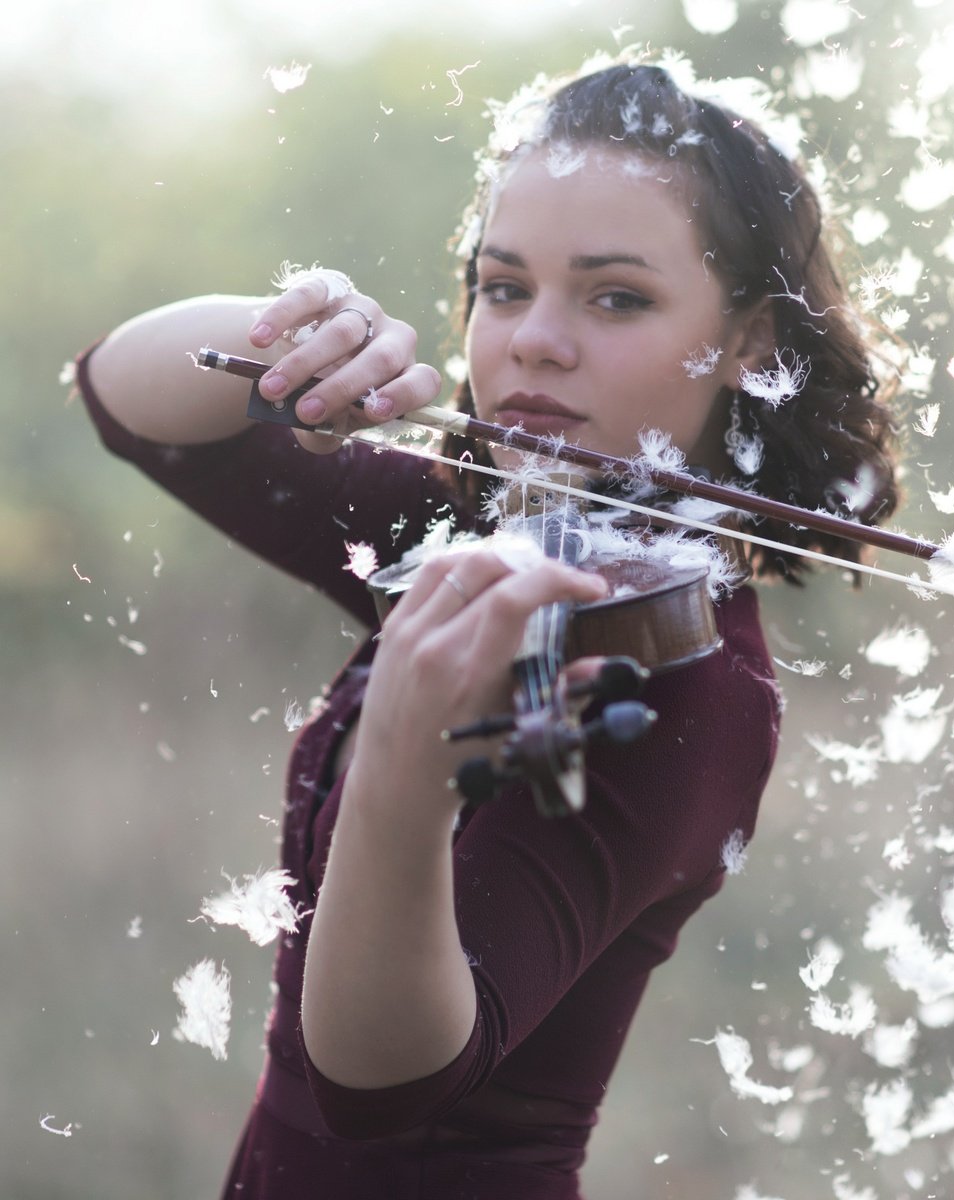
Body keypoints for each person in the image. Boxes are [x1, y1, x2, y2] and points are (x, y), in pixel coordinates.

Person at [75, 61, 900, 1199]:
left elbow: (377, 1083)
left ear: (749, 341)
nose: (532, 343)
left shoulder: (695, 689)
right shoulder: (472, 525)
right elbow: (127, 402)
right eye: (503, 287)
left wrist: (406, 777)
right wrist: (297, 338)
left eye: (615, 298)